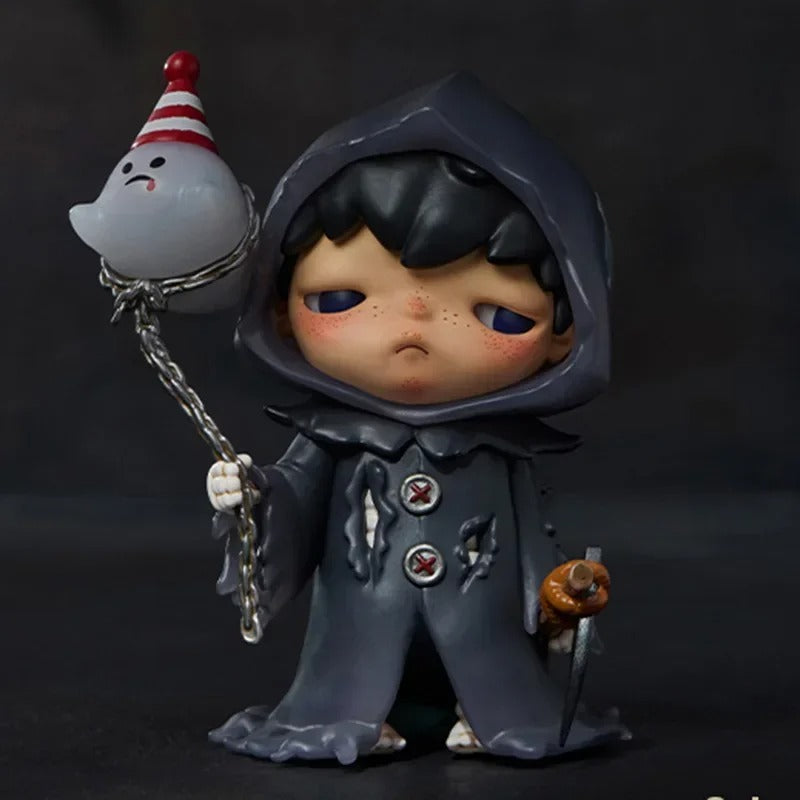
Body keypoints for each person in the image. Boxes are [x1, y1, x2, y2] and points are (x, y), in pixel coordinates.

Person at [206, 72, 629, 764]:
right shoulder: (335, 441)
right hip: (358, 631)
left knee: (498, 670)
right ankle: (353, 712)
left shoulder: (496, 448)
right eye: (341, 299)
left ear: (565, 333)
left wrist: (556, 601)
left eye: (498, 315)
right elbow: (296, 507)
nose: (412, 325)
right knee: (352, 670)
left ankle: (492, 711)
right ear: (280, 309)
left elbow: (532, 535)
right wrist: (252, 498)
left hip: (485, 631)